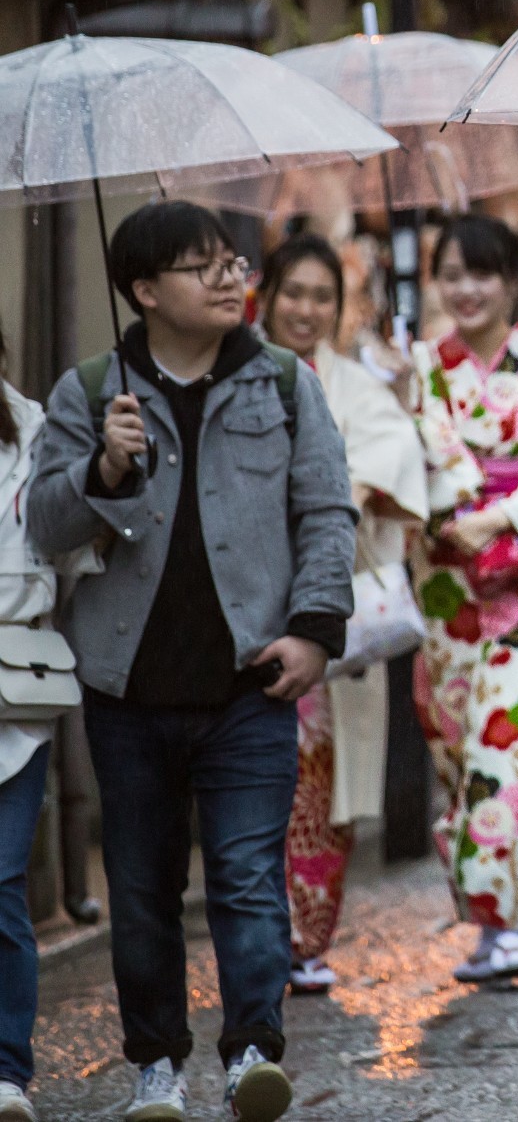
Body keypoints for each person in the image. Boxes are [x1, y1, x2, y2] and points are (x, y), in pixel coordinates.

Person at [28, 199, 357, 1122]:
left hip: (250, 683)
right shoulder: (92, 390)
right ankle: (156, 1064)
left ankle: (253, 1045)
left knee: (249, 874)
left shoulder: (285, 383)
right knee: (140, 885)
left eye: (231, 262)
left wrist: (315, 630)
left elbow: (327, 513)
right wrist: (101, 468)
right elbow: (45, 524)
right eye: (201, 266)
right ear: (143, 289)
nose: (228, 279)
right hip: (126, 688)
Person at [407, 214, 518, 984]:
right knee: (455, 753)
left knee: (507, 749)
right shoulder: (418, 369)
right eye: (451, 273)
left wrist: (502, 513)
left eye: (482, 272)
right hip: (446, 588)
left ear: (513, 279)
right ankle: (485, 912)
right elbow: (405, 453)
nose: (466, 288)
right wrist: (455, 499)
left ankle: (506, 921)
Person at [258, 236, 429, 994]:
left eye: (320, 295)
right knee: (258, 775)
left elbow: (395, 451)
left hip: (328, 600)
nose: (305, 308)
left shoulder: (354, 385)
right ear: (267, 296)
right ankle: (259, 936)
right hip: (255, 603)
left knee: (326, 784)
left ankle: (307, 936)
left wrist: (344, 493)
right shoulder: (243, 372)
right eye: (292, 292)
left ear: (338, 305)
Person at [1, 319, 94, 1122]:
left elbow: (74, 549)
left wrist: (107, 470)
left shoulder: (37, 432)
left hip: (15, 686)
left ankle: (5, 1066)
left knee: (0, 876)